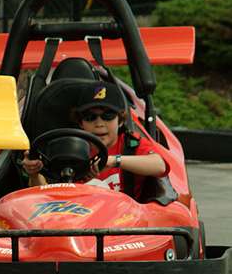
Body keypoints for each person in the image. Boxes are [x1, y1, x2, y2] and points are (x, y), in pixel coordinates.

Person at [22, 79, 170, 196]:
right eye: (90, 117)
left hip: (122, 225)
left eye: (108, 116)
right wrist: (34, 173)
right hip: (74, 220)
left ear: (120, 121)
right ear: (80, 123)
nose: (99, 123)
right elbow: (45, 197)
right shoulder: (63, 149)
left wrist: (113, 161)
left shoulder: (130, 145)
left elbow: (159, 166)